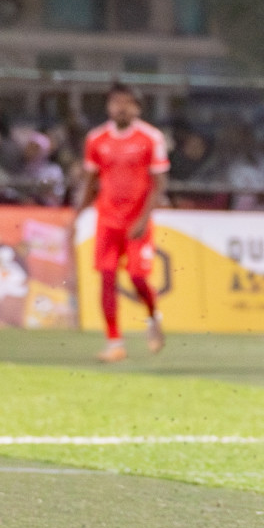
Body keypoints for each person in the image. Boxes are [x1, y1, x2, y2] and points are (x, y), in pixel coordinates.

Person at [75, 83, 169, 362]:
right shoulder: (96, 139)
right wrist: (78, 214)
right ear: (108, 106)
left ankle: (153, 317)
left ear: (137, 108)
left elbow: (159, 182)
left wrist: (144, 218)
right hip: (107, 220)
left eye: (127, 102)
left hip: (136, 221)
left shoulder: (150, 138)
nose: (121, 107)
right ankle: (114, 342)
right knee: (106, 278)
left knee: (138, 277)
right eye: (116, 102)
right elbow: (91, 181)